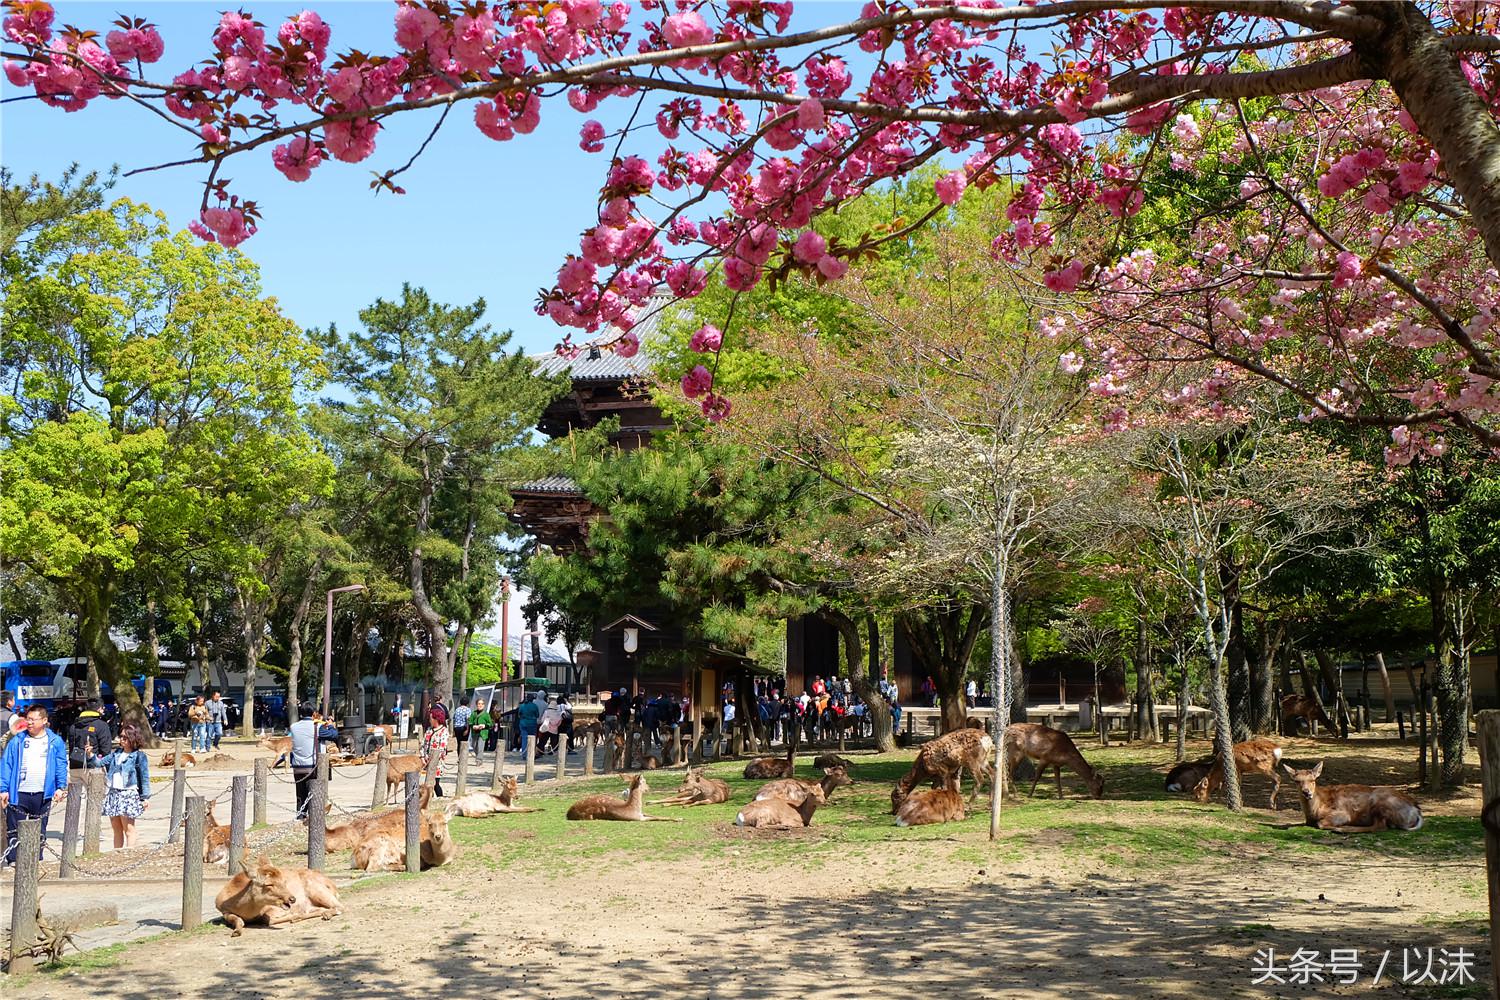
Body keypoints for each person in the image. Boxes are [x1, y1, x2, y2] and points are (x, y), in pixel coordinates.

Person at [0, 705, 69, 866]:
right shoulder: (17, 740)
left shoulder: (55, 741)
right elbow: (6, 764)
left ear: (44, 720)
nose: (29, 722)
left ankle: (35, 860)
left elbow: (61, 765)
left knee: (40, 829)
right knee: (14, 829)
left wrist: (61, 787)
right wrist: (3, 789)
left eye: (33, 719)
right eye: (28, 719)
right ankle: (13, 860)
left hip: (43, 793)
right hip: (18, 792)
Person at [94, 724, 151, 849]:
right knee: (116, 829)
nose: (122, 739)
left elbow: (144, 777)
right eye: (121, 736)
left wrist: (145, 797)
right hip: (113, 793)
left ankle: (129, 853)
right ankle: (117, 853)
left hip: (128, 793)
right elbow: (99, 763)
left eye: (125, 737)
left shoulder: (139, 756)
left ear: (133, 738)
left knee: (129, 828)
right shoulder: (116, 753)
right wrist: (90, 754)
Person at [288, 710, 320, 818]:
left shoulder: (293, 727)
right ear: (314, 713)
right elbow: (333, 735)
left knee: (300, 793)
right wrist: (329, 725)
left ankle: (300, 815)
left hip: (297, 766)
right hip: (312, 766)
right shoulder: (316, 727)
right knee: (313, 792)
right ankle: (314, 816)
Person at [68, 700, 112, 772]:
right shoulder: (101, 725)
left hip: (75, 765)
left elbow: (71, 747)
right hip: (94, 767)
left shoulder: (74, 725)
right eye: (103, 708)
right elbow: (106, 750)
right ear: (99, 709)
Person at [420, 707, 450, 797]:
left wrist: (435, 758)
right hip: (426, 761)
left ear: (436, 719)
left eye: (431, 718)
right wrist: (422, 756)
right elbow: (423, 744)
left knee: (435, 783)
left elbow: (442, 747)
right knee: (426, 783)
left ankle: (440, 798)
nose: (429, 720)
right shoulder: (429, 730)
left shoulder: (444, 731)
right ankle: (428, 798)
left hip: (437, 762)